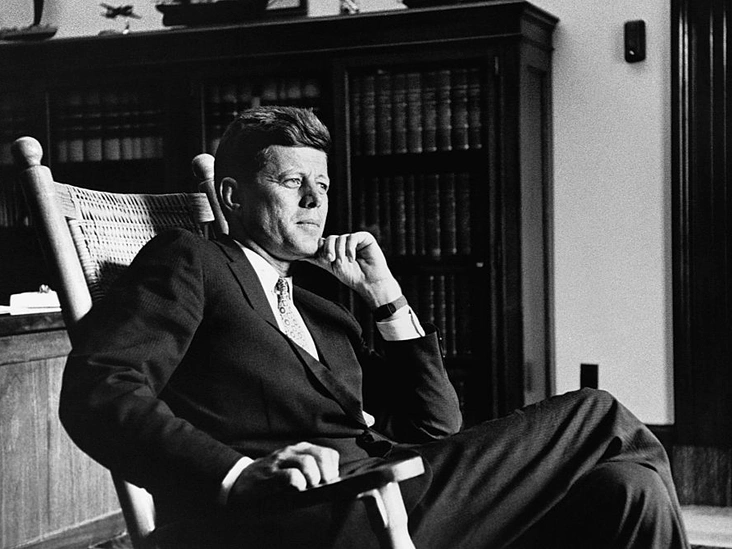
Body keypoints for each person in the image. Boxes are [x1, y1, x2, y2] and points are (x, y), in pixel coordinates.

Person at [59, 106, 689, 548]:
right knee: (598, 414)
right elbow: (98, 387)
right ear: (232, 196)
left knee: (629, 488)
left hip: (380, 496)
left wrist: (385, 297)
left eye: (322, 185)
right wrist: (237, 475)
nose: (315, 202)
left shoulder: (324, 311)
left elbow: (435, 427)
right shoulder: (192, 260)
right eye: (292, 183)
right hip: (289, 519)